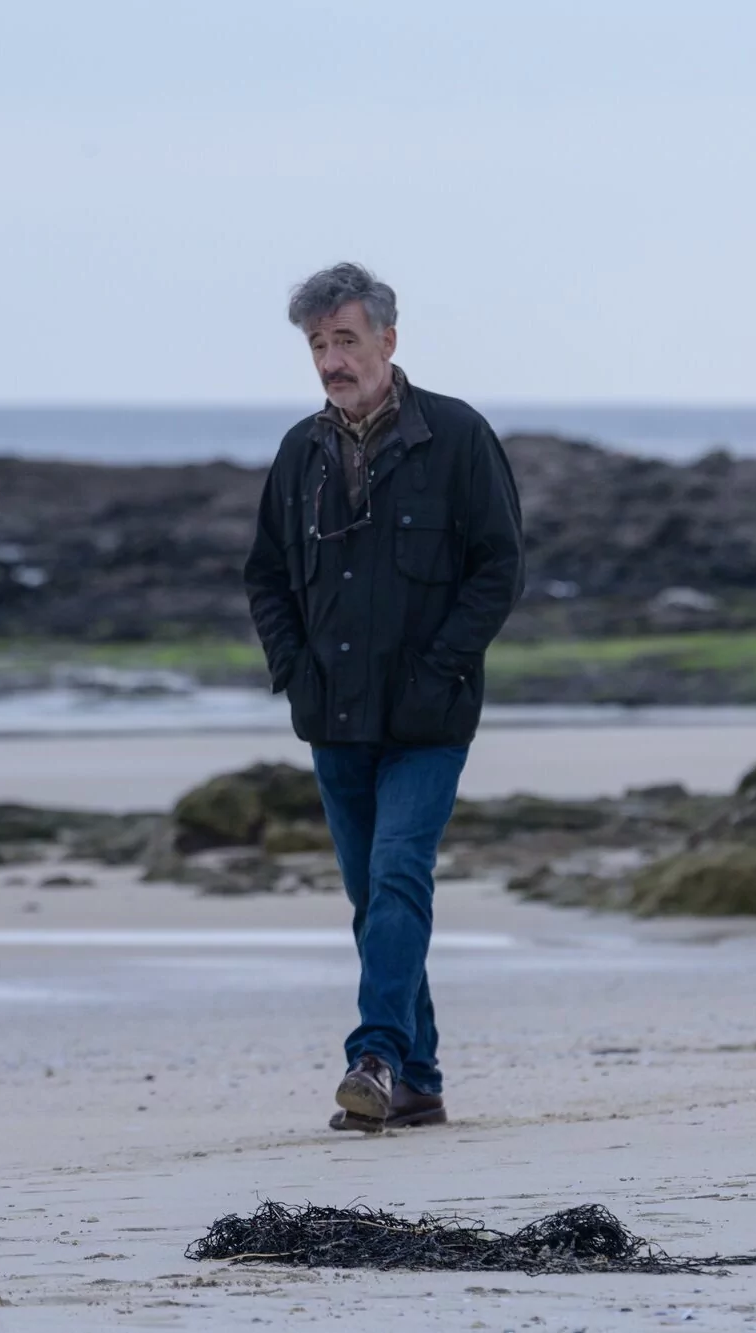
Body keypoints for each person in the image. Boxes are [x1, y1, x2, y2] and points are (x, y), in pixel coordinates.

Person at [245, 262, 525, 1132]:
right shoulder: (301, 453)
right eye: (318, 345)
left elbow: (500, 568)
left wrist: (441, 668)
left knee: (400, 873)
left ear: (387, 340)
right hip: (333, 716)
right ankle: (419, 1079)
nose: (332, 360)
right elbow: (266, 575)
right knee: (376, 899)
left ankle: (372, 1056)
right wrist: (295, 670)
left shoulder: (458, 436)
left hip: (430, 717)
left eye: (346, 340)